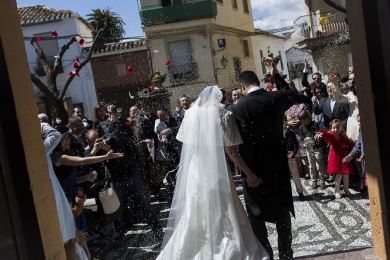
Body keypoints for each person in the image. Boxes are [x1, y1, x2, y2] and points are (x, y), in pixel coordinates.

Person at [157, 85, 269, 260]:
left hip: (195, 171)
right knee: (222, 209)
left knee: (195, 211)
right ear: (220, 100)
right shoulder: (223, 115)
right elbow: (231, 152)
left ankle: (193, 248)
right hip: (217, 170)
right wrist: (249, 173)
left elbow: (185, 143)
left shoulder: (190, 113)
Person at [230, 61, 296, 259]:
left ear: (242, 86)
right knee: (282, 212)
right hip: (278, 167)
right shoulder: (276, 98)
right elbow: (292, 94)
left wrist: (250, 173)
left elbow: (246, 143)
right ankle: (286, 254)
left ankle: (266, 255)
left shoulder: (239, 108)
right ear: (259, 81)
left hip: (255, 173)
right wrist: (275, 75)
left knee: (256, 215)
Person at [40, 121, 75, 244]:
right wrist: (40, 123)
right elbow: (82, 161)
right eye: (64, 139)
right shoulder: (49, 153)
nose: (67, 141)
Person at [315, 119, 355, 199]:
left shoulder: (344, 136)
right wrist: (322, 134)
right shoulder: (332, 135)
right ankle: (337, 190)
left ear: (341, 128)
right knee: (339, 175)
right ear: (331, 128)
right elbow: (328, 136)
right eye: (334, 128)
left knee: (346, 174)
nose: (335, 129)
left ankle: (346, 189)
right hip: (336, 158)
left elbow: (349, 144)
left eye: (337, 128)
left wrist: (352, 152)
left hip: (344, 157)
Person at [343, 115, 369, 204]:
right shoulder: (361, 132)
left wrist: (364, 155)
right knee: (366, 177)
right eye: (358, 121)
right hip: (364, 160)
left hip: (370, 160)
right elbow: (358, 146)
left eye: (361, 121)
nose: (359, 123)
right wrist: (351, 155)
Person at [298, 110, 327, 190]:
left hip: (317, 147)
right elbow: (302, 138)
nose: (303, 122)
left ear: (308, 118)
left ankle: (322, 181)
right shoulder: (301, 127)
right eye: (301, 121)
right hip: (309, 148)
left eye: (304, 120)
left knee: (319, 165)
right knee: (311, 165)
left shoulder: (314, 124)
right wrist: (303, 143)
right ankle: (314, 181)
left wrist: (312, 140)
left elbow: (317, 135)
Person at [329, 74, 360, 142]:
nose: (352, 81)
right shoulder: (350, 94)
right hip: (354, 127)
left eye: (353, 78)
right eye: (350, 79)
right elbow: (339, 98)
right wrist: (335, 84)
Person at [283, 118, 304, 201]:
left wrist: (294, 152)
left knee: (296, 175)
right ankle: (285, 194)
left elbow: (296, 144)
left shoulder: (290, 133)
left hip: (290, 158)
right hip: (281, 158)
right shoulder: (275, 133)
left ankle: (300, 192)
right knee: (284, 177)